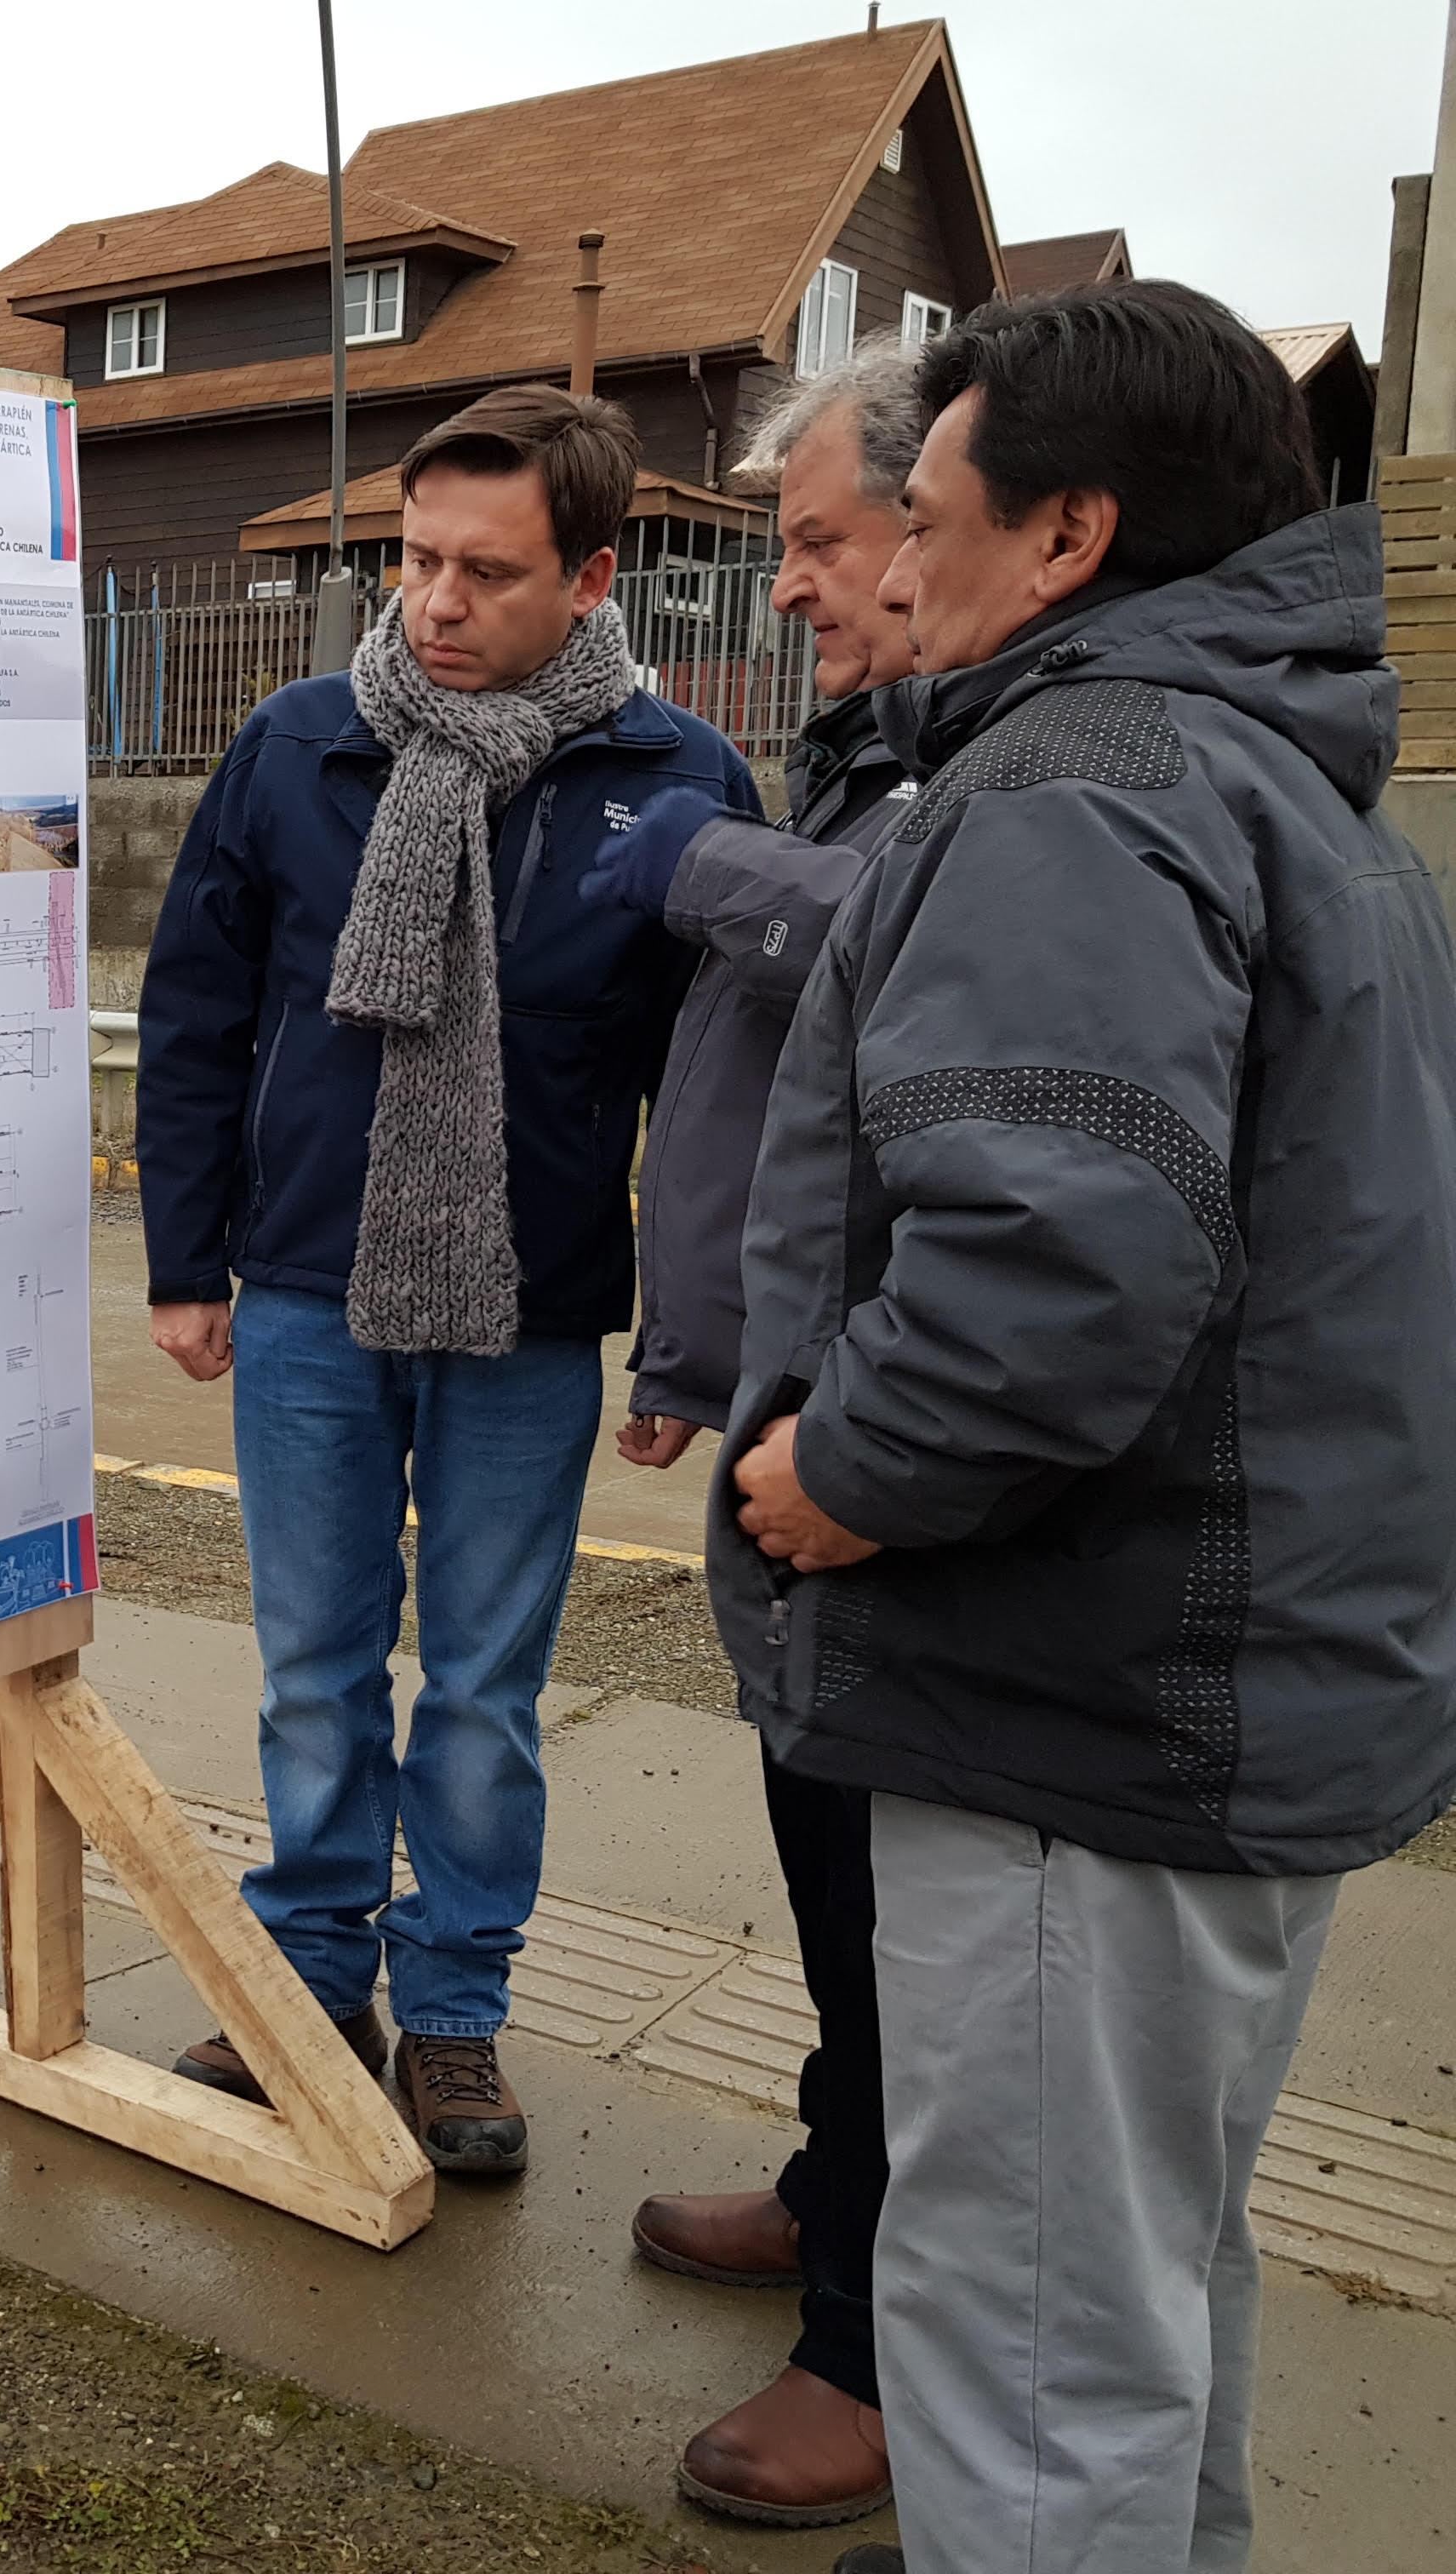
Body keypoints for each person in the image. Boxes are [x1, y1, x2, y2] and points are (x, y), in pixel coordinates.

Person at [717, 279, 1456, 2574]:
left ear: (1067, 539)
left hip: (1085, 1704)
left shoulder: (1078, 783)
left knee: (1028, 2347)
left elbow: (1060, 1267)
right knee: (1133, 2304)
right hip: (1223, 1683)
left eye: (920, 513)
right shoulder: (1277, 773)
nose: (886, 561)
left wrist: (844, 1471)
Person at [137, 383, 760, 2171]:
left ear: (592, 575)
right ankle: (312, 1979)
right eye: (413, 560)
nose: (435, 602)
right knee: (314, 1667)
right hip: (307, 1292)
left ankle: (461, 2014)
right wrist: (190, 1261)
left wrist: (686, 1351)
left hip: (532, 1312)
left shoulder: (676, 781)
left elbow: (710, 1100)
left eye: (486, 572)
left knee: (486, 1685)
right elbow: (194, 1013)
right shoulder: (298, 745)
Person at [582, 340, 925, 2531]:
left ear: (971, 513)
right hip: (804, 1411)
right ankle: (838, 2188)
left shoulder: (996, 785)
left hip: (889, 1462)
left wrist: (696, 864)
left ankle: (879, 2344)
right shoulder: (881, 751)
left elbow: (895, 965)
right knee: (831, 1876)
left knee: (901, 1904)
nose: (787, 584)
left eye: (815, 540)